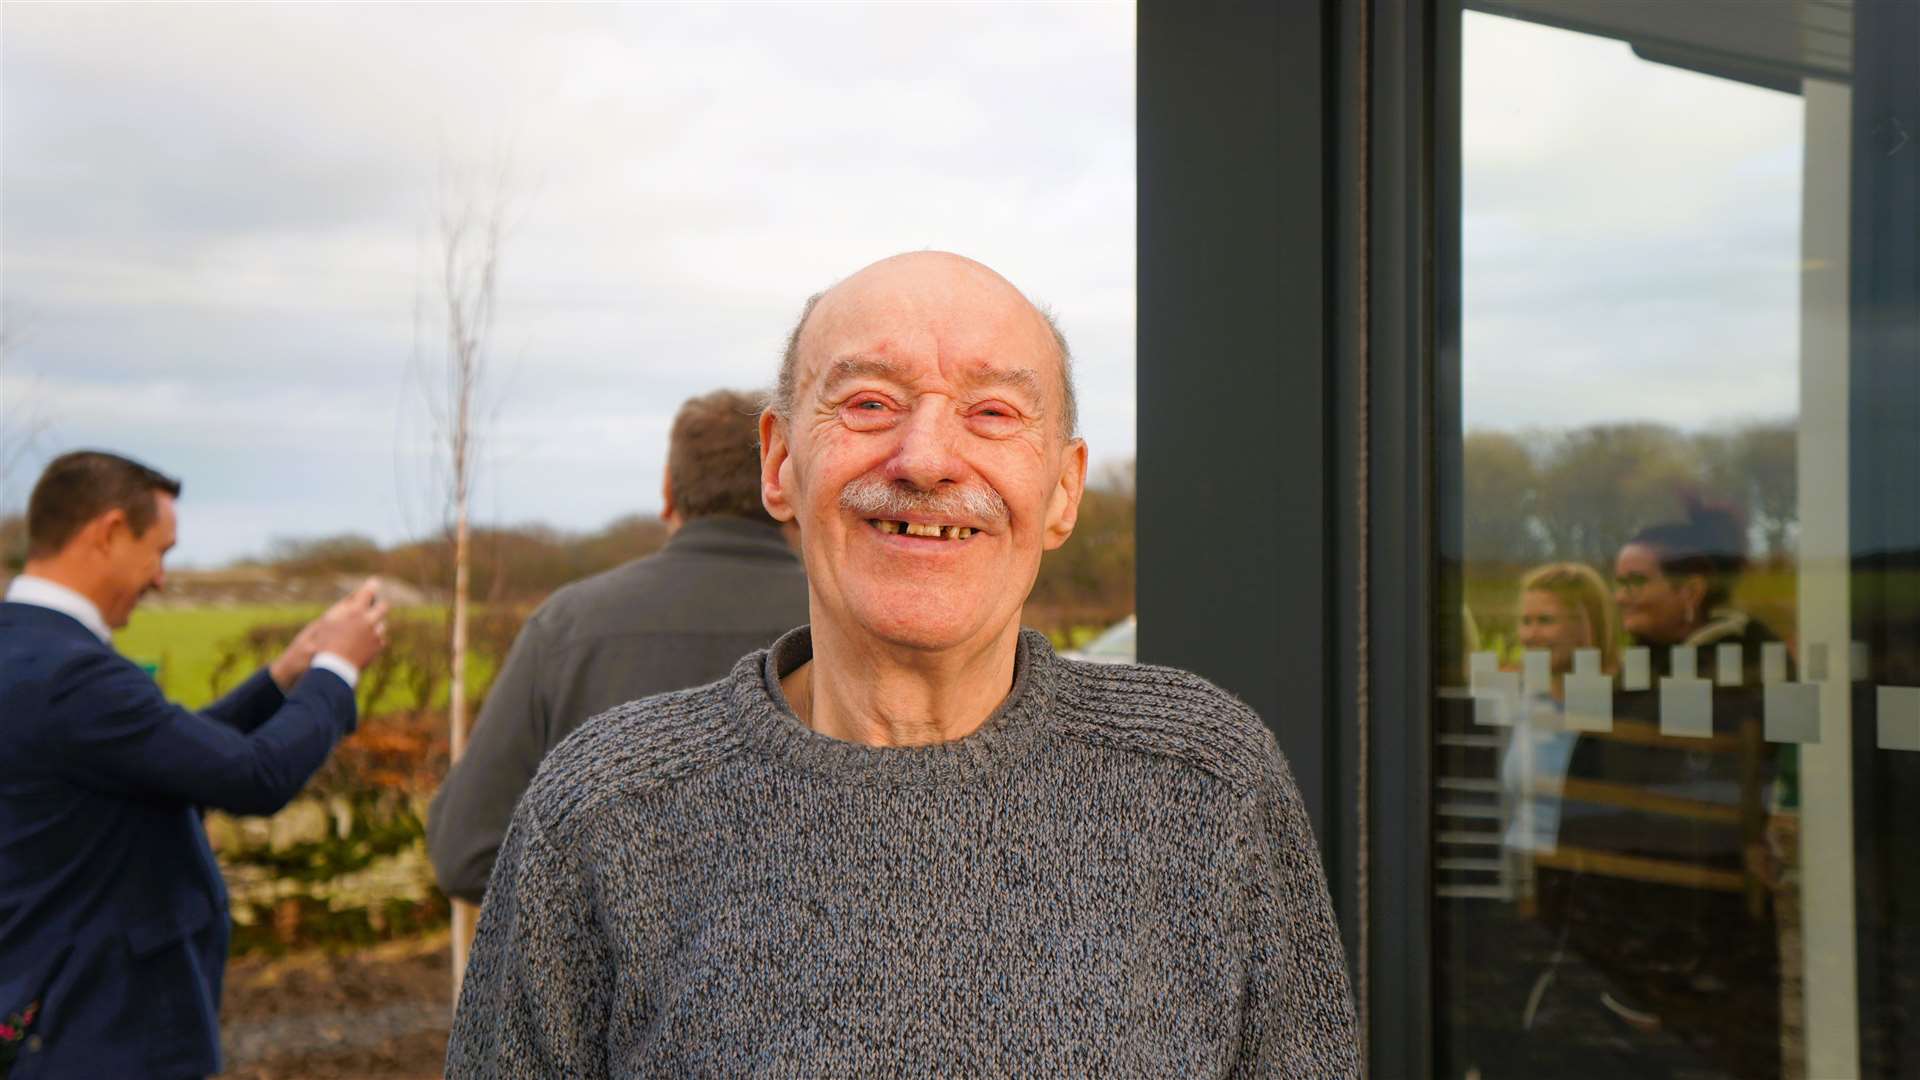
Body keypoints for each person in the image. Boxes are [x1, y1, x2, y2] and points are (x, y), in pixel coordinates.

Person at [447, 252, 1360, 1077]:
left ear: (1063, 491)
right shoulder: (602, 809)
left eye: (993, 412)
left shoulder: (1205, 780)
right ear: (780, 463)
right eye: (870, 403)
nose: (925, 458)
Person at [0, 450, 387, 1079]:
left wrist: (283, 676)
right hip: (99, 1033)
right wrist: (337, 671)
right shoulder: (74, 675)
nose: (161, 579)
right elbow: (253, 777)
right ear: (108, 533)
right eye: (161, 550)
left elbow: (170, 756)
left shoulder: (25, 648)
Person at [427, 389, 810, 904]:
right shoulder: (856, 628)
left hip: (605, 983)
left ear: (668, 494)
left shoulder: (567, 625)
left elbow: (465, 854)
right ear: (784, 481)